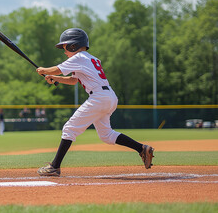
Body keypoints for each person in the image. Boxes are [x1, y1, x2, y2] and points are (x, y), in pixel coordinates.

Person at [36, 28, 154, 176]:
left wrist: (44, 70)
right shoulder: (89, 58)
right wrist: (54, 77)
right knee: (106, 135)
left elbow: (57, 69)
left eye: (65, 47)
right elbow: (74, 80)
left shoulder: (78, 57)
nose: (64, 51)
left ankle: (54, 167)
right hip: (109, 96)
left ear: (73, 45)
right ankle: (141, 148)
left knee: (69, 128)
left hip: (98, 97)